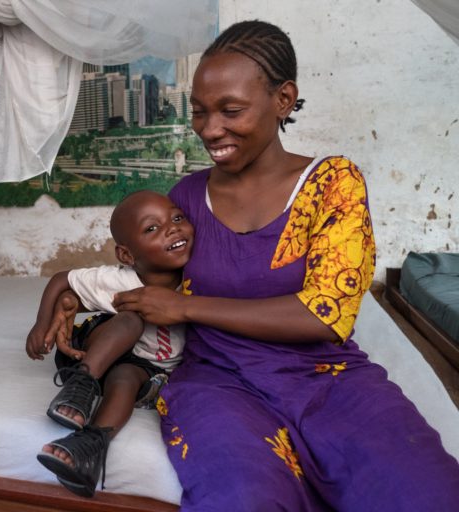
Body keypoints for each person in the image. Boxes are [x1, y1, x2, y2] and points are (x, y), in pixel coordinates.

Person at [101, 19, 459, 511]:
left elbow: (324, 314)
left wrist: (187, 309)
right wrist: (66, 295)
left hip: (328, 378)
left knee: (423, 493)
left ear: (283, 100)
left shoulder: (333, 184)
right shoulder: (186, 197)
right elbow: (147, 286)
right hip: (216, 383)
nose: (209, 130)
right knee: (242, 497)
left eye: (231, 111)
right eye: (200, 112)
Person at [25, 190, 193, 498]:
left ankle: (89, 445)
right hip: (95, 350)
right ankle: (81, 387)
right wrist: (40, 323)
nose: (172, 228)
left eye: (178, 218)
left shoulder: (199, 278)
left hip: (146, 368)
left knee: (126, 378)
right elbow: (63, 279)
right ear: (127, 256)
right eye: (152, 228)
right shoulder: (121, 280)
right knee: (131, 319)